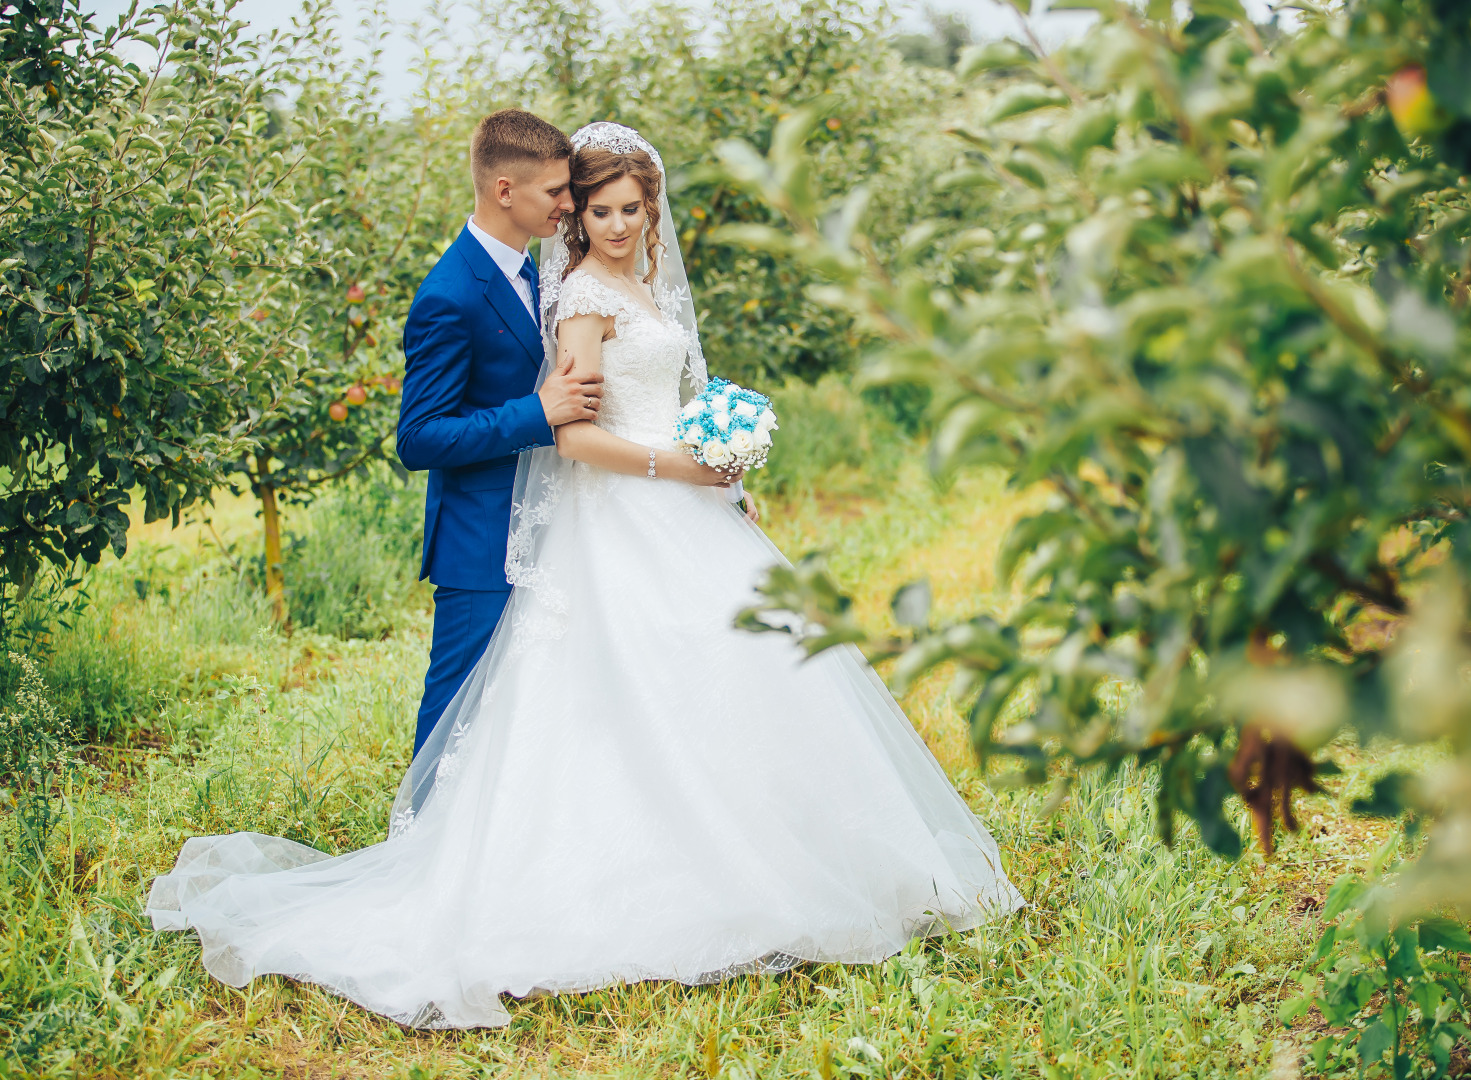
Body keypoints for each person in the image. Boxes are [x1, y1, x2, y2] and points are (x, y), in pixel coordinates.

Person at [145, 122, 1023, 1030]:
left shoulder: (546, 272)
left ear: (650, 210)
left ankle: (731, 853)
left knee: (700, 682)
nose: (582, 213)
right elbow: (435, 434)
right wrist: (575, 426)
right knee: (483, 707)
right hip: (512, 527)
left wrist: (713, 468)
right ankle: (441, 865)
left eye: (609, 204)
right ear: (507, 192)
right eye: (573, 199)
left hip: (641, 509)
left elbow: (638, 395)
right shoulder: (464, 291)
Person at [393, 109, 602, 757]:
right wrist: (536, 414)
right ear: (504, 191)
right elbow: (419, 437)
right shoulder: (447, 295)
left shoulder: (536, 272)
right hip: (480, 544)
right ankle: (419, 852)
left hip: (549, 524)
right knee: (457, 712)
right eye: (556, 192)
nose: (569, 206)